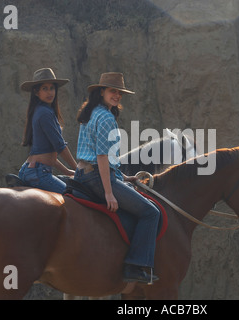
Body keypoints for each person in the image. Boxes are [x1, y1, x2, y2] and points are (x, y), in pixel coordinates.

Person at [75, 72, 160, 284]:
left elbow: (102, 157)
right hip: (97, 177)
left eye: (119, 92)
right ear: (101, 91)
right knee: (151, 212)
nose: (117, 95)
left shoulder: (92, 113)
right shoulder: (105, 118)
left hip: (83, 175)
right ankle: (136, 265)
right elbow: (101, 157)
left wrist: (124, 177)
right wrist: (109, 192)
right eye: (113, 91)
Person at [18, 68, 77, 194]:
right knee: (75, 198)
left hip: (31, 170)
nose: (50, 92)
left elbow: (49, 154)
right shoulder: (45, 113)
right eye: (44, 88)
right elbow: (60, 146)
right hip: (39, 173)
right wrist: (78, 169)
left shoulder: (41, 110)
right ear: (36, 91)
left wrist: (67, 171)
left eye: (52, 88)